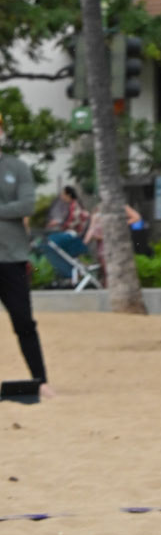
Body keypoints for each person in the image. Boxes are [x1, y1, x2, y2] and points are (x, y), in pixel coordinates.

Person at [0, 114, 49, 396]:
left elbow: (27, 205)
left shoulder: (17, 167)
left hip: (12, 257)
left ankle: (40, 380)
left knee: (23, 320)